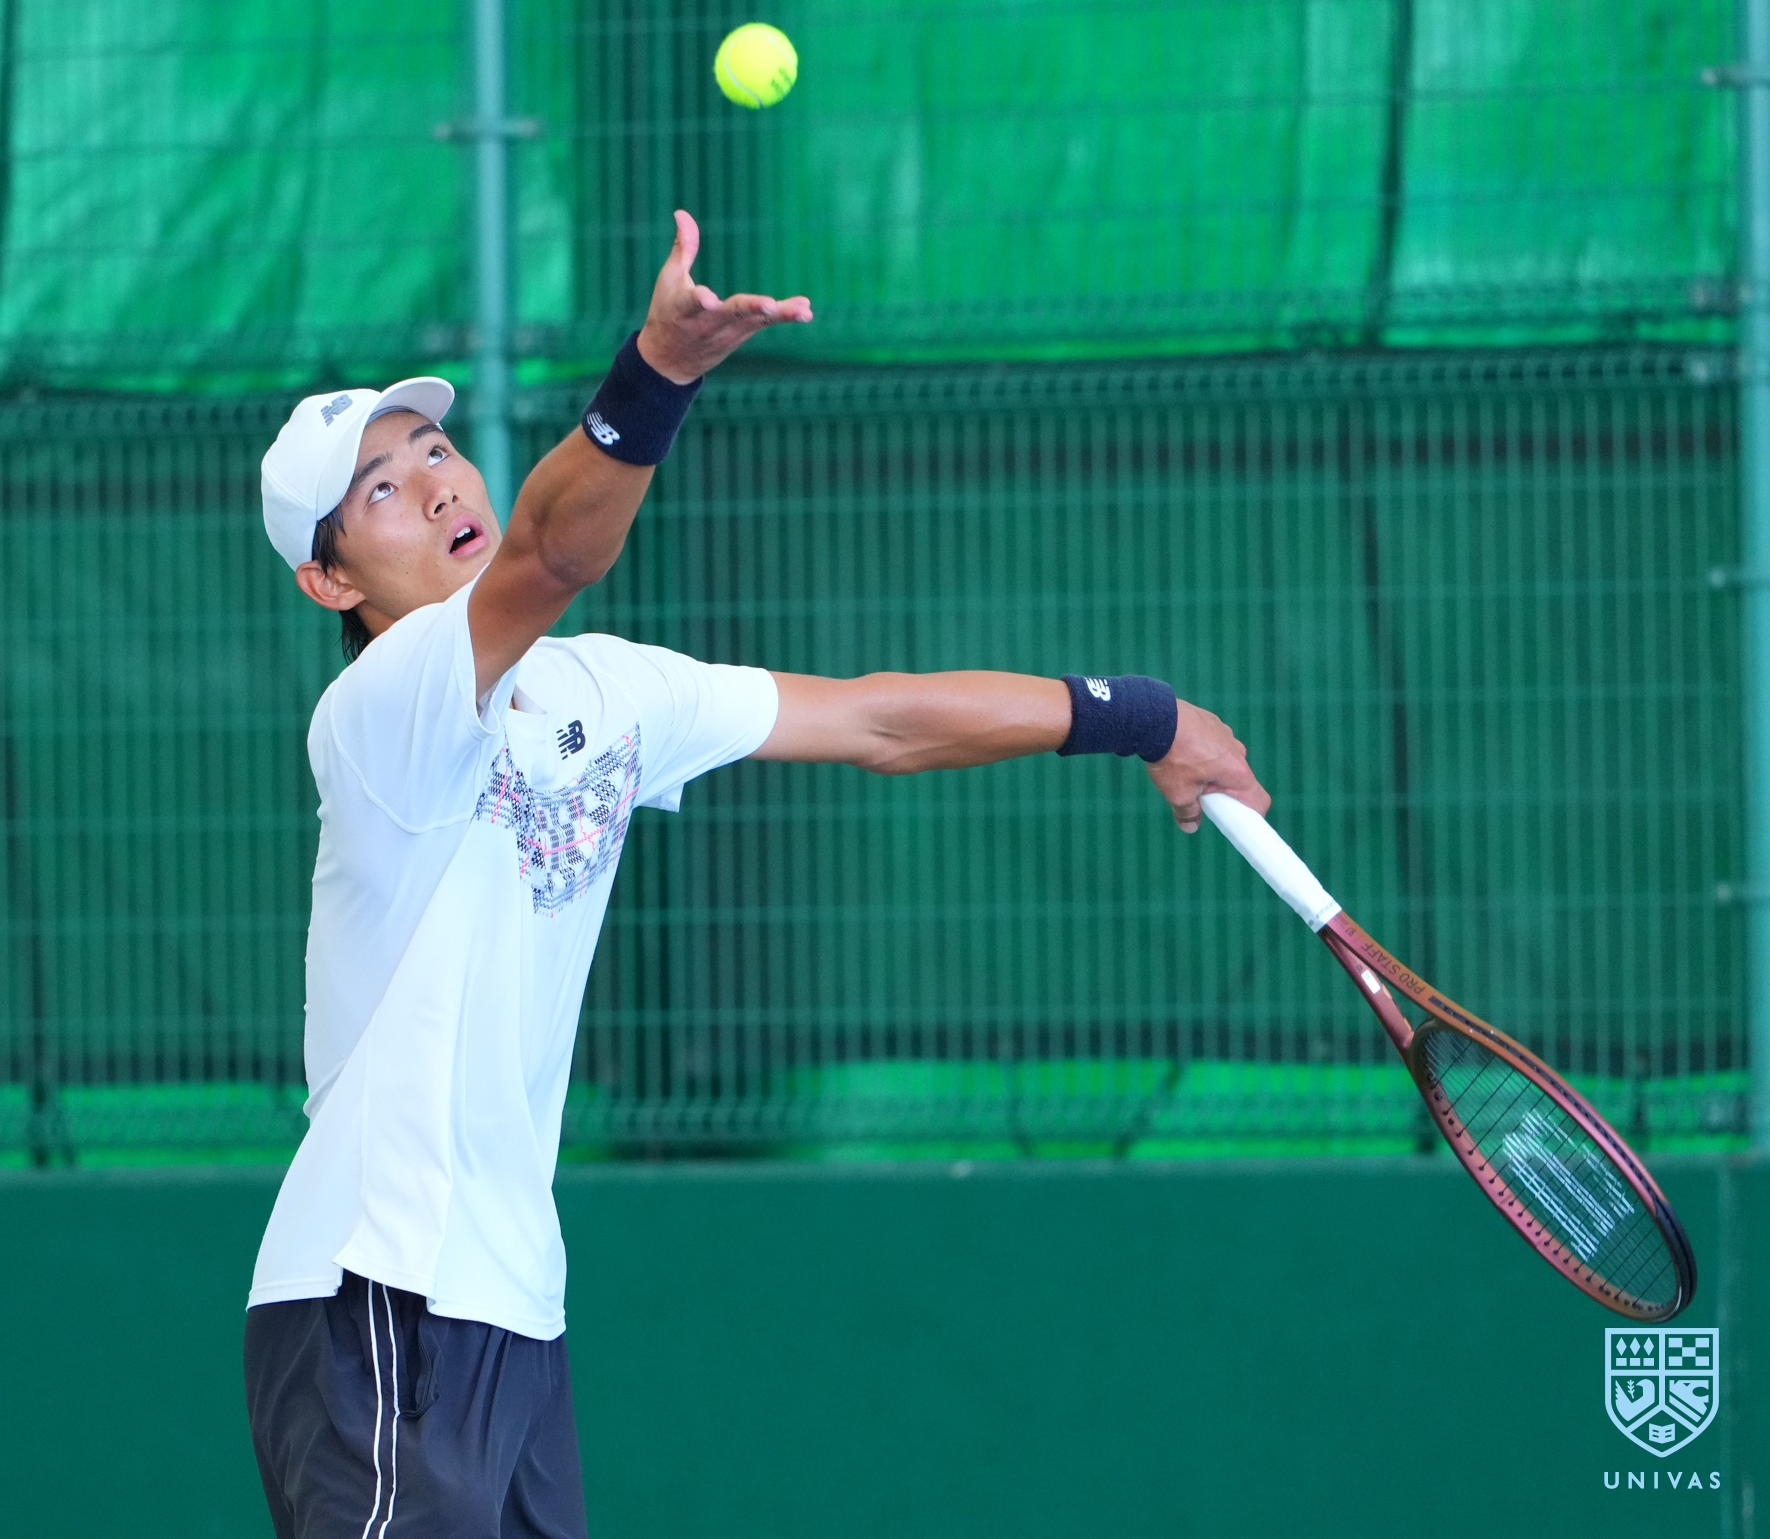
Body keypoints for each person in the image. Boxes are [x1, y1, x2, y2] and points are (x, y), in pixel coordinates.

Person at [243, 211, 1269, 1539]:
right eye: (382, 490)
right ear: (330, 583)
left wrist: (1138, 715)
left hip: (512, 1307)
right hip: (374, 1293)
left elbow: (876, 720)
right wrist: (656, 374)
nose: (438, 487)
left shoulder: (606, 690)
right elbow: (555, 551)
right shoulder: (381, 711)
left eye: (434, 450)